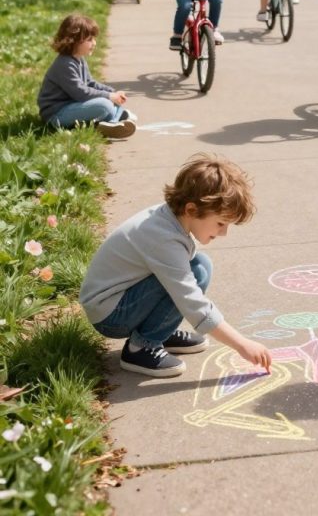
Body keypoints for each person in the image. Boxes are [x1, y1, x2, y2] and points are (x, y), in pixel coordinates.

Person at [79, 154, 272, 378]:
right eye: (220, 223)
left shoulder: (169, 220)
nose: (223, 233)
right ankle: (140, 347)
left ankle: (158, 332)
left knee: (200, 265)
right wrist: (242, 344)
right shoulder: (163, 238)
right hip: (111, 315)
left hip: (118, 301)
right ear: (191, 210)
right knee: (195, 273)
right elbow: (191, 301)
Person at [37, 14, 136, 140]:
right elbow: (81, 93)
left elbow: (90, 83)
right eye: (89, 40)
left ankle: (113, 121)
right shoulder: (65, 64)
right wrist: (110, 97)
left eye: (94, 39)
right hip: (56, 113)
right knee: (104, 105)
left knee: (109, 103)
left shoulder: (79, 59)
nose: (94, 43)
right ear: (73, 40)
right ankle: (115, 119)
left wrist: (112, 92)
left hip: (72, 105)